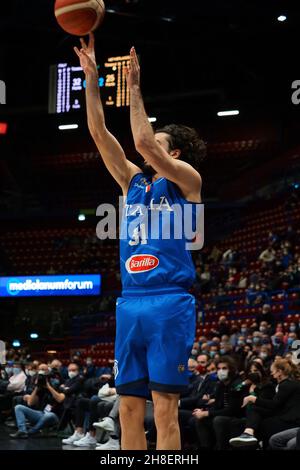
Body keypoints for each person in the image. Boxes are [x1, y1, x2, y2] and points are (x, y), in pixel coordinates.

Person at [74, 34, 206, 450]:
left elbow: (143, 142)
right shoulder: (133, 183)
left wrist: (133, 89)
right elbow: (99, 135)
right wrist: (92, 81)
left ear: (177, 153)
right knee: (129, 408)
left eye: (161, 145)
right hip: (131, 302)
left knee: (163, 409)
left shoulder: (187, 181)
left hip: (169, 301)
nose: (150, 149)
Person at [229, 358, 300, 448]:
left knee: (263, 424)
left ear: (279, 372)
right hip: (286, 416)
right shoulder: (289, 383)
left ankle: (252, 439)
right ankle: (248, 434)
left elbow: (274, 405)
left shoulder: (286, 384)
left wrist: (254, 399)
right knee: (253, 411)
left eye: (273, 371)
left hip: (292, 421)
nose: (271, 373)